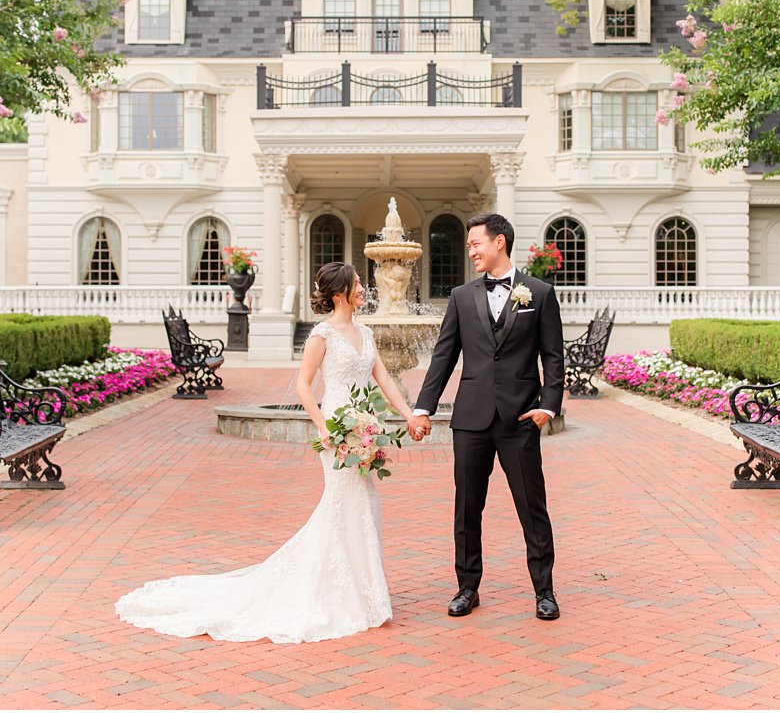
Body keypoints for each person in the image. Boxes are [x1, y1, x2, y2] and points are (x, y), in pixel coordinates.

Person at [115, 262, 419, 644]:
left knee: (363, 503)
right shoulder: (321, 336)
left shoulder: (366, 332)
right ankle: (345, 593)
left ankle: (364, 593)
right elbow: (304, 385)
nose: (364, 289)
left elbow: (384, 378)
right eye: (358, 284)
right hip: (338, 427)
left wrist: (408, 415)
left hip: (364, 426)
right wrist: (323, 427)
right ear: (340, 293)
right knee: (345, 503)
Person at [406, 213, 565, 621]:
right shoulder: (462, 296)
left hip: (520, 419)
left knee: (532, 506)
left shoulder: (540, 293)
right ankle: (467, 587)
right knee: (466, 507)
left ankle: (544, 591)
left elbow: (552, 356)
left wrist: (548, 405)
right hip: (470, 418)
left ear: (499, 242)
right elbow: (444, 356)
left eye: (476, 243)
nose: (471, 250)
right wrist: (423, 407)